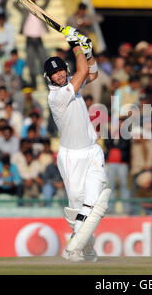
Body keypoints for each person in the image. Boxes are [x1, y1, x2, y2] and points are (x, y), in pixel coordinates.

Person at [44, 26, 110, 262]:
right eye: (55, 74)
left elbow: (91, 74)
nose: (60, 75)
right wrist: (76, 45)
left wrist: (89, 53)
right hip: (70, 157)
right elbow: (82, 71)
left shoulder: (72, 84)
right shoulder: (57, 96)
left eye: (61, 71)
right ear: (49, 78)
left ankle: (75, 248)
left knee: (93, 202)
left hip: (92, 152)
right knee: (76, 206)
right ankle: (85, 247)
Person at [14, 0, 50, 88]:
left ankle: (47, 82)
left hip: (38, 39)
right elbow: (14, 4)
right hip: (29, 39)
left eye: (33, 0)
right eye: (31, 0)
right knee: (31, 61)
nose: (33, 1)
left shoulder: (39, 9)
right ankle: (34, 83)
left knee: (43, 60)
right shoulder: (25, 10)